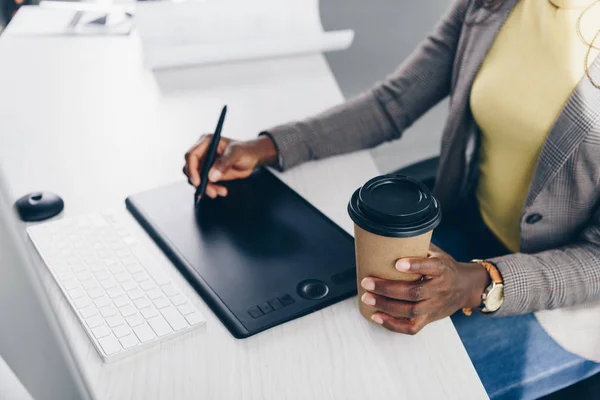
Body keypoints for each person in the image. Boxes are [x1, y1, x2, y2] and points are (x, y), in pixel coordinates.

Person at [183, 0, 600, 398]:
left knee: (391, 383)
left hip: (564, 302)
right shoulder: (493, 5)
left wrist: (478, 283)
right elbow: (392, 102)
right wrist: (266, 147)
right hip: (466, 220)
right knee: (321, 339)